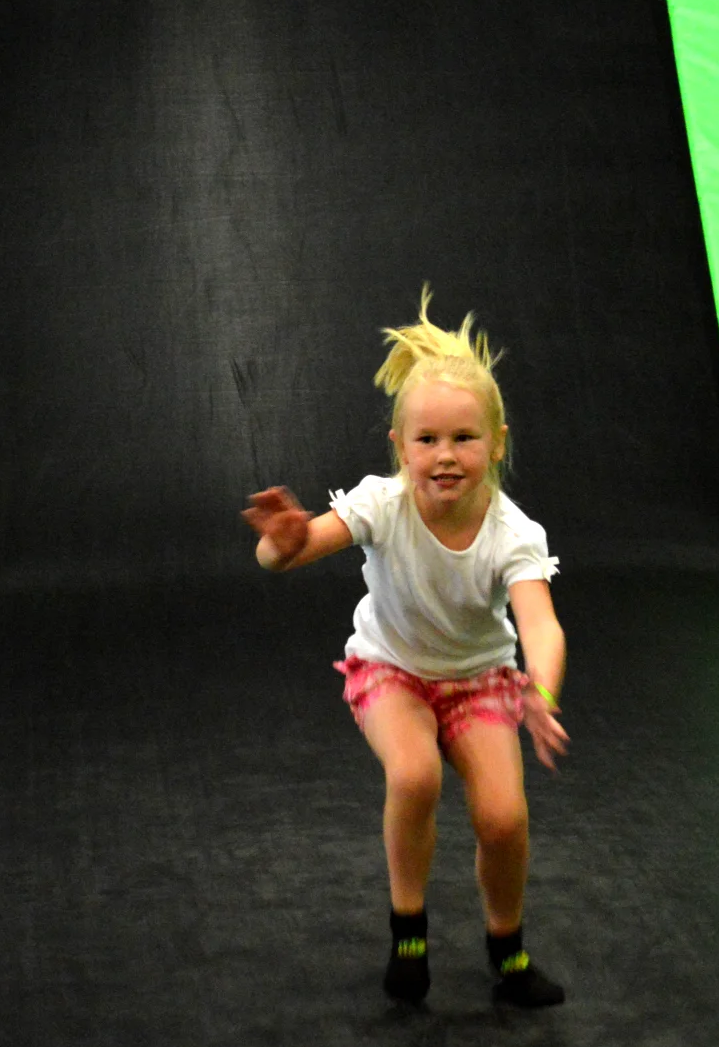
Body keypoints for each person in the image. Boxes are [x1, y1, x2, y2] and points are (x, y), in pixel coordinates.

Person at [241, 291, 570, 1008]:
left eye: (465, 438)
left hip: (478, 682)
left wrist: (540, 689)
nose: (445, 456)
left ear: (498, 443)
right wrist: (281, 543)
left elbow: (539, 623)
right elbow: (286, 555)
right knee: (415, 775)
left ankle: (508, 948)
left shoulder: (513, 532)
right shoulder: (380, 504)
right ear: (400, 447)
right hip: (391, 671)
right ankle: (409, 932)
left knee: (504, 818)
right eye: (427, 440)